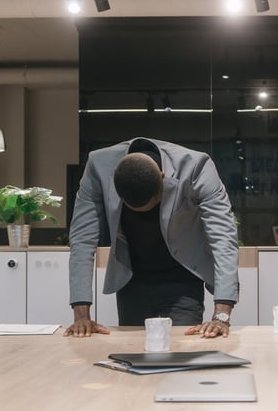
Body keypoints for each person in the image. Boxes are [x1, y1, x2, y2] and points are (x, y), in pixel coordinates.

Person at [65, 137, 239, 339]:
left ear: (163, 179)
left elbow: (223, 237)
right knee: (133, 351)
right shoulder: (98, 166)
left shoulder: (197, 166)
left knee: (183, 351)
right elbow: (82, 239)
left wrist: (222, 316)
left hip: (182, 279)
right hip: (131, 280)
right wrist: (81, 316)